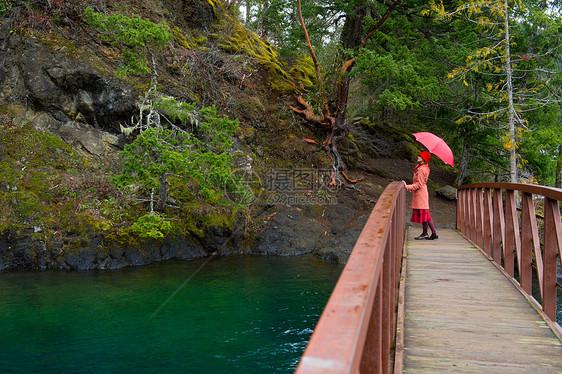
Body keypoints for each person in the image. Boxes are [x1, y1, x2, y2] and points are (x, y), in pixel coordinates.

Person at [402, 151, 438, 240]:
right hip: (421, 193)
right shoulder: (423, 167)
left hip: (420, 194)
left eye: (420, 156)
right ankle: (427, 233)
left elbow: (419, 184)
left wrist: (407, 186)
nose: (418, 156)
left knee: (425, 214)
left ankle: (432, 233)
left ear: (424, 159)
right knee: (425, 214)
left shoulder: (421, 169)